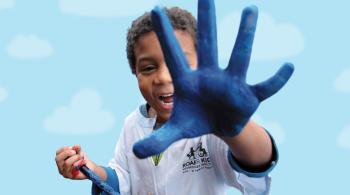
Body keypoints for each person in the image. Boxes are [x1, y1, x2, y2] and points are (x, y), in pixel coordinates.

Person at [55, 0, 294, 194]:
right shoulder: (132, 125)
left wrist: (235, 128)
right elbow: (122, 178)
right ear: (135, 73)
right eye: (148, 68)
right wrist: (90, 168)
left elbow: (256, 162)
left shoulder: (210, 125)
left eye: (177, 64)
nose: (163, 78)